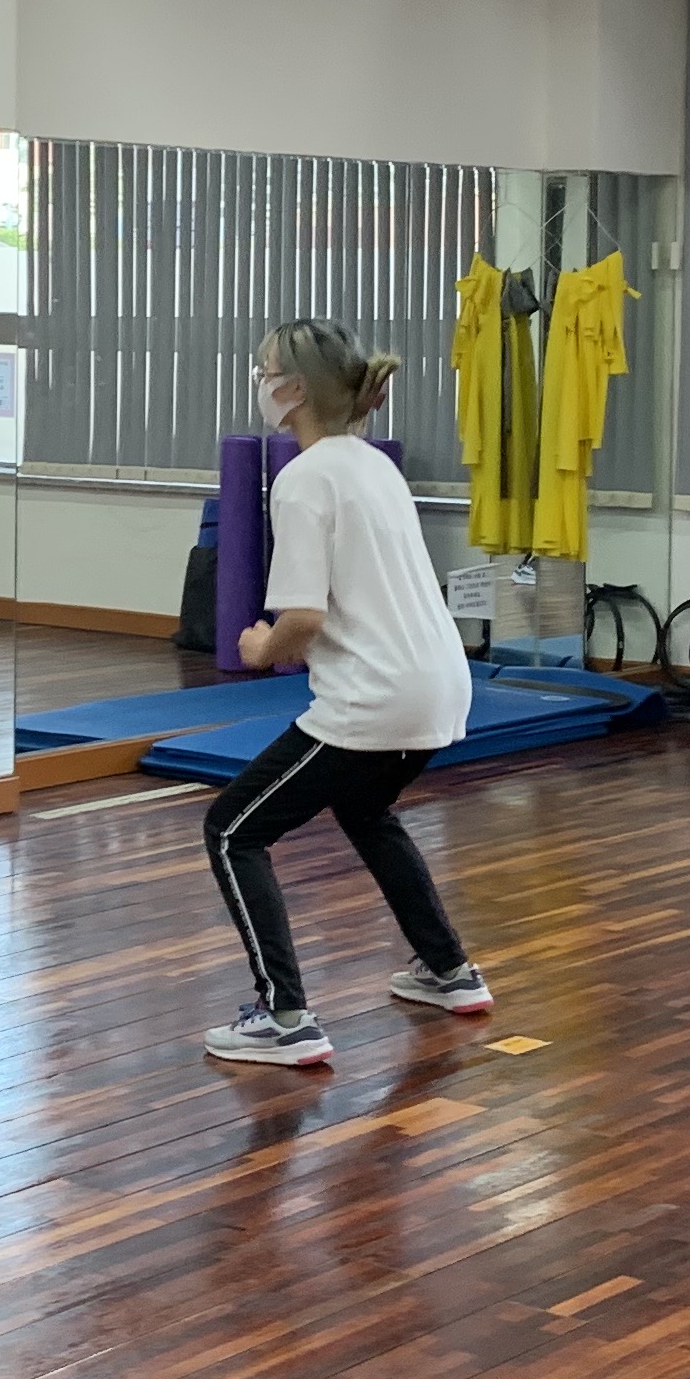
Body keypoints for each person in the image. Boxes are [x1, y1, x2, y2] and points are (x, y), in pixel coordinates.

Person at [199, 321, 491, 1068]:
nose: (260, 382)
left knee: (233, 831)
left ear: (294, 389)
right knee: (364, 810)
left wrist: (260, 649)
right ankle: (449, 971)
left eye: (266, 370)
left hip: (375, 696)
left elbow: (302, 619)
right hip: (440, 687)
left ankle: (285, 1017)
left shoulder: (303, 479)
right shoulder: (372, 466)